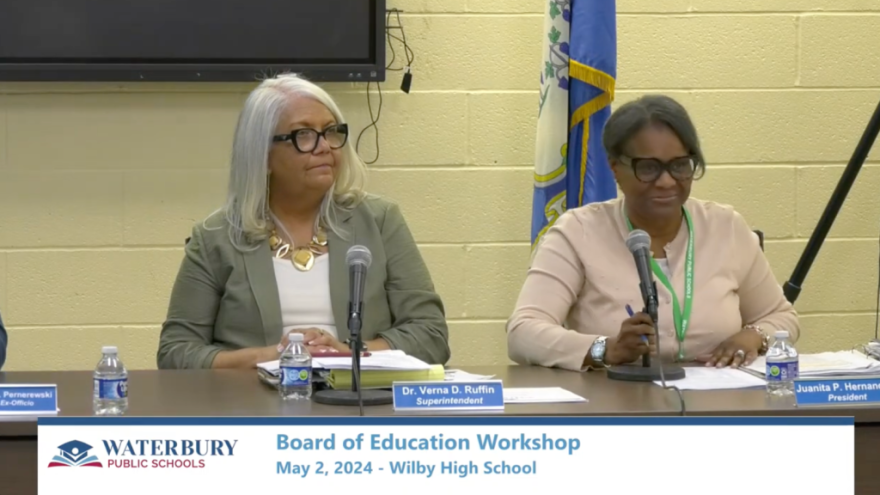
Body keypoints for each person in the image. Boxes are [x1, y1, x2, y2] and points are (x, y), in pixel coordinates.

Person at [158, 74, 450, 369]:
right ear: (263, 155)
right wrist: (275, 356)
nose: (325, 146)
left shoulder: (380, 221)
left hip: (358, 407)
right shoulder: (216, 237)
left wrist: (348, 353)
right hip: (255, 406)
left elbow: (430, 336)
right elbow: (176, 353)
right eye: (304, 135)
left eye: (331, 132)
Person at [507, 94, 799, 372]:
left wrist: (754, 335)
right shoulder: (578, 232)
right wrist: (604, 349)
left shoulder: (726, 227)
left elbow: (781, 316)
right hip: (616, 409)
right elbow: (523, 332)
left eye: (679, 166)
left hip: (718, 408)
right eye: (648, 168)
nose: (666, 181)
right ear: (615, 168)